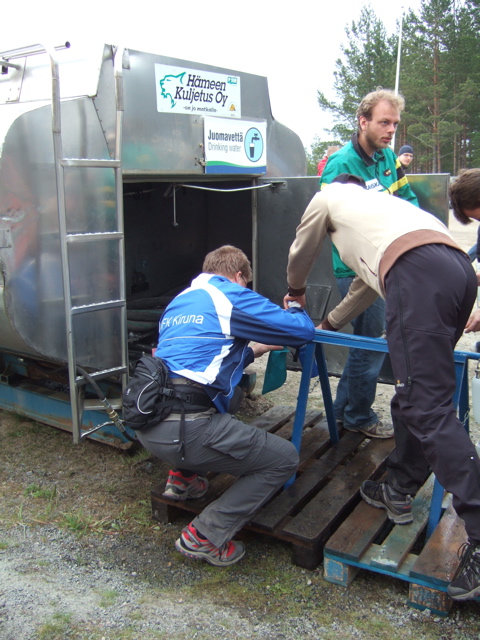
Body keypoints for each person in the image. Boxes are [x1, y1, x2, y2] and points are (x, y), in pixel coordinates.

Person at [284, 173, 480, 601]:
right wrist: (328, 325)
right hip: (457, 272)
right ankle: (399, 486)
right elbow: (364, 289)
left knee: (428, 408)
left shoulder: (330, 195)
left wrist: (295, 294)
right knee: (417, 395)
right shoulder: (384, 215)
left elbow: (301, 248)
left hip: (418, 275)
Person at [137, 245, 315, 567]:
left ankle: (182, 478)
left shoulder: (181, 302)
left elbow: (204, 363)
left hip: (150, 425)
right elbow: (301, 331)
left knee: (229, 397)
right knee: (284, 459)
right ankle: (205, 535)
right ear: (238, 277)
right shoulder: (229, 294)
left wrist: (255, 349)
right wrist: (295, 308)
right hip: (187, 431)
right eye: (245, 284)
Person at [319, 89, 419, 439]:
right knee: (371, 345)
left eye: (395, 123)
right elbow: (326, 219)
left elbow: (407, 200)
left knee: (366, 343)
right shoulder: (341, 164)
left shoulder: (388, 158)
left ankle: (343, 412)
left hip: (387, 266)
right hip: (359, 270)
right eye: (383, 122)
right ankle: (359, 417)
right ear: (363, 122)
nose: (391, 130)